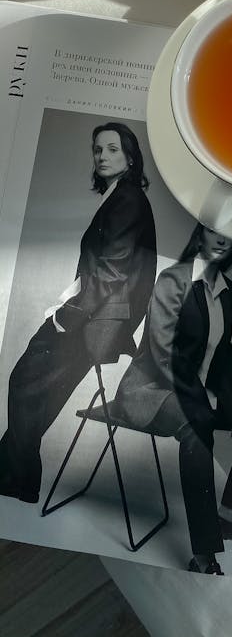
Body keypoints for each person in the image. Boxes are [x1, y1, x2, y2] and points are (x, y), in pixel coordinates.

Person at [0, 121, 157, 503]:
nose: (102, 156)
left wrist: (66, 315)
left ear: (130, 156)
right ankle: (13, 475)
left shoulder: (129, 200)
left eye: (112, 149)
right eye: (97, 150)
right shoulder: (121, 196)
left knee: (24, 381)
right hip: (99, 313)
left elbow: (112, 270)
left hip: (100, 319)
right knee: (40, 388)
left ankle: (18, 477)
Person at [114, 223, 232, 574]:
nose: (221, 238)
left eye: (231, 232)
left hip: (199, 394)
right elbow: (163, 354)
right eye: (214, 229)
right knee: (195, 421)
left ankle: (230, 514)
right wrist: (203, 403)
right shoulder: (174, 280)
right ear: (199, 234)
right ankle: (203, 553)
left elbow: (224, 359)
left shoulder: (228, 290)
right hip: (151, 393)